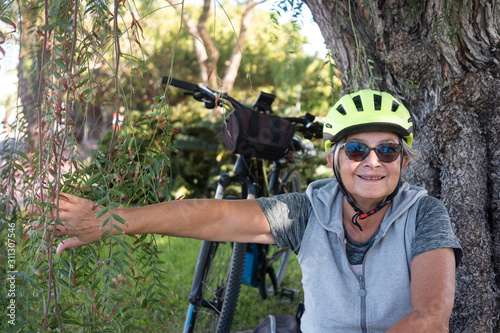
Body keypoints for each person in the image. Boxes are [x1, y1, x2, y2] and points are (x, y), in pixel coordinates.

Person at [40, 89, 462, 332]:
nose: (372, 162)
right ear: (335, 160)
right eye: (356, 150)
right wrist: (111, 221)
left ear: (403, 162)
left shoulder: (424, 215)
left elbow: (429, 318)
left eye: (387, 150)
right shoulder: (306, 212)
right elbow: (218, 216)